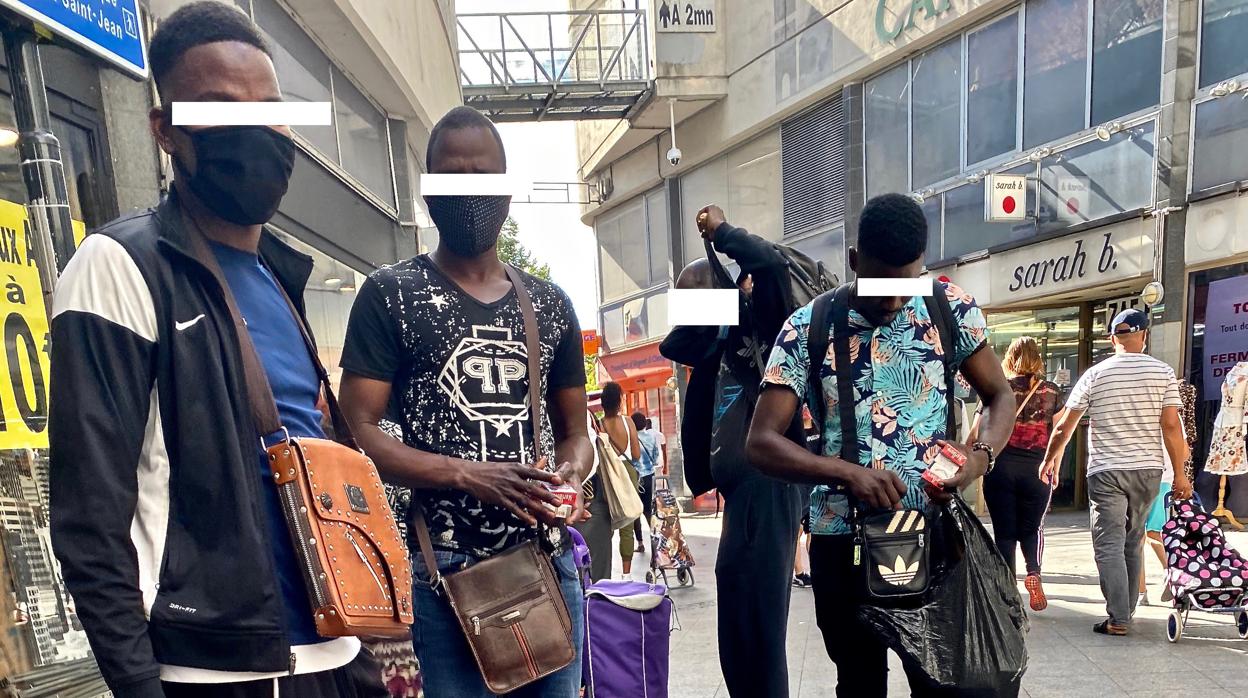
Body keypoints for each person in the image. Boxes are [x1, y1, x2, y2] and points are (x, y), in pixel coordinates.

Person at [48, 4, 386, 696]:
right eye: (222, 108)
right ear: (165, 130)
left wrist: (363, 660)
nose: (252, 128)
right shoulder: (119, 265)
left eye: (268, 108)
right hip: (207, 672)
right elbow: (89, 519)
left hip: (333, 660)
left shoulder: (282, 280)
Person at [337, 106, 593, 696]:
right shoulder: (389, 296)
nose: (470, 193)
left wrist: (569, 478)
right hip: (440, 574)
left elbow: (575, 432)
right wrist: (468, 476)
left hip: (543, 568)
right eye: (453, 178)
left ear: (505, 191)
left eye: (483, 177)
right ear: (429, 192)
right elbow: (358, 432)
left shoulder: (550, 304)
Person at [746, 193, 1016, 697]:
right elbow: (760, 442)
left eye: (905, 284)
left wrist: (978, 460)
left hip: (933, 534)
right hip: (840, 542)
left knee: (941, 681)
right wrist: (846, 473)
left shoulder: (947, 308)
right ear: (854, 261)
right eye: (881, 284)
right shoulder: (810, 326)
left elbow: (1000, 395)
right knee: (860, 683)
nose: (894, 300)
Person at [663, 204, 806, 698]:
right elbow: (678, 345)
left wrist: (722, 232)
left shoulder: (767, 324)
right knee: (737, 630)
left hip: (770, 490)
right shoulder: (713, 344)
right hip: (741, 498)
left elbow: (769, 265)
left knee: (760, 634)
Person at [1041, 308, 1193, 637]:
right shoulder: (1163, 372)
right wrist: (1180, 473)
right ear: (1144, 336)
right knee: (1133, 539)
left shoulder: (1096, 374)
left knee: (1108, 542)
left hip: (1107, 470)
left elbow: (1065, 426)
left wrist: (1051, 459)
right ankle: (1126, 611)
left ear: (1113, 339)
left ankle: (1119, 617)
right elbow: (1170, 426)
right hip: (1148, 470)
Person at [975, 336, 1065, 612]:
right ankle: (1034, 572)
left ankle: (1008, 594)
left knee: (1004, 532)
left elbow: (979, 428)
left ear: (1009, 358)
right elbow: (1059, 434)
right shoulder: (1052, 391)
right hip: (1038, 468)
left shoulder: (999, 389)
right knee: (1032, 527)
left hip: (1000, 467)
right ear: (1038, 358)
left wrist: (966, 457)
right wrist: (1054, 466)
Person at [601, 382, 642, 576]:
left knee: (605, 523)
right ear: (618, 400)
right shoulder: (628, 422)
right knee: (627, 524)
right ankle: (626, 575)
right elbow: (636, 454)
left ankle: (605, 571)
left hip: (606, 474)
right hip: (627, 473)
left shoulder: (599, 424)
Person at [632, 412, 661, 550]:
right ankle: (656, 542)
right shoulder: (651, 437)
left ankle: (640, 543)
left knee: (635, 511)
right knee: (649, 510)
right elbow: (655, 457)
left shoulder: (631, 438)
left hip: (635, 478)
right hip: (650, 476)